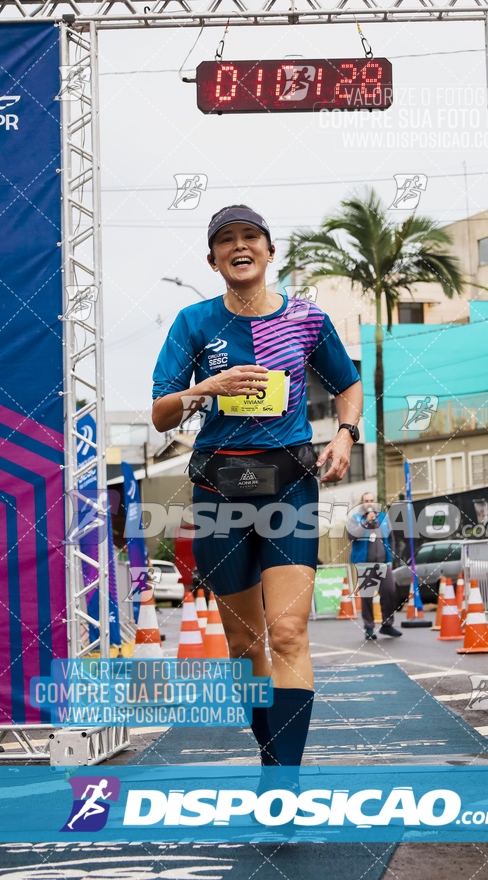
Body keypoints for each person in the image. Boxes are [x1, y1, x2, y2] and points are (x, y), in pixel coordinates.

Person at [152, 204, 362, 780]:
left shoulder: (308, 320)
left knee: (290, 631)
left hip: (288, 486)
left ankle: (283, 780)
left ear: (270, 252)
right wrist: (209, 386)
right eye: (226, 241)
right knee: (246, 644)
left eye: (251, 237)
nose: (239, 247)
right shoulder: (194, 323)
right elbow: (161, 415)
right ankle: (272, 754)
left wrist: (345, 434)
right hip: (219, 491)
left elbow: (347, 383)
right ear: (214, 258)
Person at [347, 492, 401, 641]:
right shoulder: (355, 519)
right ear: (361, 502)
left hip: (384, 563)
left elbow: (391, 537)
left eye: (371, 500)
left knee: (389, 591)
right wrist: (366, 522)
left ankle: (387, 625)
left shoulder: (383, 518)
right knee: (367, 596)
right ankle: (369, 628)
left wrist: (392, 556)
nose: (369, 503)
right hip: (365, 564)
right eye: (366, 501)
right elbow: (352, 536)